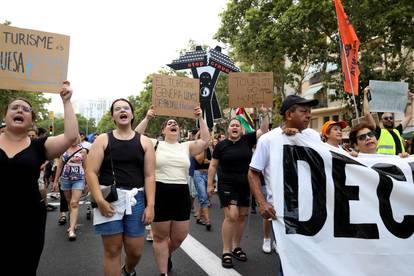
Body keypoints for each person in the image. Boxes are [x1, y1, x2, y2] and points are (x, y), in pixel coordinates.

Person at [0, 81, 78, 274]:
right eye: (14, 108)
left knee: (25, 267)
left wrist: (66, 101)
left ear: (32, 119)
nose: (20, 110)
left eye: (26, 109)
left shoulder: (39, 146)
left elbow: (70, 136)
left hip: (29, 219)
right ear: (5, 115)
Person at [248, 95, 319, 276]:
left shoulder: (313, 136)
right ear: (289, 114)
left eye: (309, 111)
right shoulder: (268, 140)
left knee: (312, 260)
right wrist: (262, 203)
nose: (309, 115)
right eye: (303, 111)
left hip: (314, 210)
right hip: (284, 212)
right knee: (289, 263)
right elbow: (253, 173)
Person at [135, 105, 209, 276]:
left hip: (181, 194)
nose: (173, 124)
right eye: (169, 123)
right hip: (159, 192)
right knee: (160, 238)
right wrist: (147, 118)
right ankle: (163, 272)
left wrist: (200, 118)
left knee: (179, 237)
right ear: (164, 130)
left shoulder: (186, 146)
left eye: (175, 123)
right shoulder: (154, 144)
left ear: (179, 129)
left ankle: (166, 254)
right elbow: (135, 136)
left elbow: (205, 141)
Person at [85, 98, 155, 276]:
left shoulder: (145, 142)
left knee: (136, 251)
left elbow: (149, 175)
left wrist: (150, 205)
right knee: (112, 251)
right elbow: (91, 172)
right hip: (109, 198)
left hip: (136, 200)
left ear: (132, 114)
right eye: (117, 109)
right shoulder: (102, 139)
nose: (122, 111)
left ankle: (128, 269)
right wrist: (99, 200)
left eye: (126, 108)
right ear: (112, 116)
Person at [207, 106, 269, 269]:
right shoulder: (221, 146)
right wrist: (209, 184)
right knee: (232, 215)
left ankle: (236, 247)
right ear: (228, 129)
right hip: (227, 183)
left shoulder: (248, 140)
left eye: (237, 125)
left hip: (245, 183)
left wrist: (264, 113)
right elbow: (213, 166)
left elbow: (263, 130)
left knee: (242, 215)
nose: (234, 127)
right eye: (232, 125)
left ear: (241, 129)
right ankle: (226, 250)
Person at [53, 137, 88, 240]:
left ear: (79, 139)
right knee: (69, 201)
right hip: (65, 179)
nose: (74, 140)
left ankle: (71, 229)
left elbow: (86, 167)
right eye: (72, 138)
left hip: (79, 179)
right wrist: (55, 181)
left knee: (74, 203)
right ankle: (73, 220)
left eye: (76, 138)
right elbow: (60, 166)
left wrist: (87, 182)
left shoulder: (83, 151)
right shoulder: (63, 150)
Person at [363, 86, 413, 155]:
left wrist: (409, 102)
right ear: (382, 120)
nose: (389, 119)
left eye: (391, 118)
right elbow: (367, 114)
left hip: (400, 163)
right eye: (386, 118)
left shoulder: (397, 130)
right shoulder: (378, 132)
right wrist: (365, 95)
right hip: (385, 164)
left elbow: (408, 116)